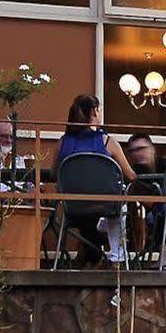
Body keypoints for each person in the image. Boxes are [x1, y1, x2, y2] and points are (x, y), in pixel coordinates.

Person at [54, 94, 133, 265]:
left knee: (97, 220)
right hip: (105, 205)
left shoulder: (62, 143)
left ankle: (92, 253)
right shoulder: (107, 142)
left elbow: (55, 173)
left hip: (72, 207)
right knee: (123, 203)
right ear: (95, 112)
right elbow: (130, 175)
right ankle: (117, 257)